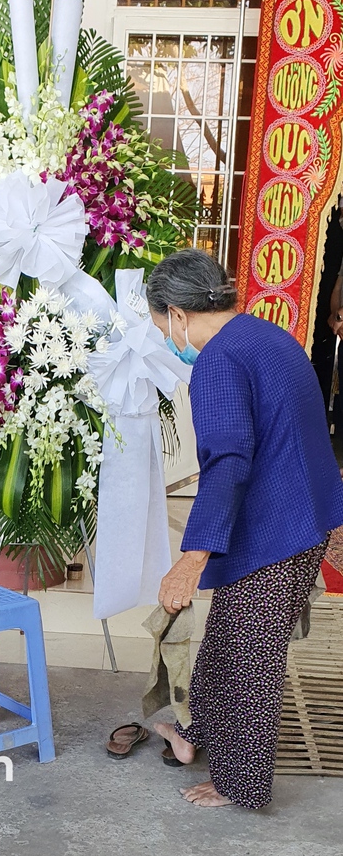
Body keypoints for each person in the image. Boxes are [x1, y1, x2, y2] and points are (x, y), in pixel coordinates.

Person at [145, 248, 343, 809]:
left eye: (164, 328)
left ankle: (242, 786)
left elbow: (229, 461)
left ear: (179, 314)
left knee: (250, 661)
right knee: (228, 641)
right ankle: (192, 735)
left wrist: (192, 558)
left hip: (280, 527)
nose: (169, 340)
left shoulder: (219, 360)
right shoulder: (266, 335)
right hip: (295, 513)